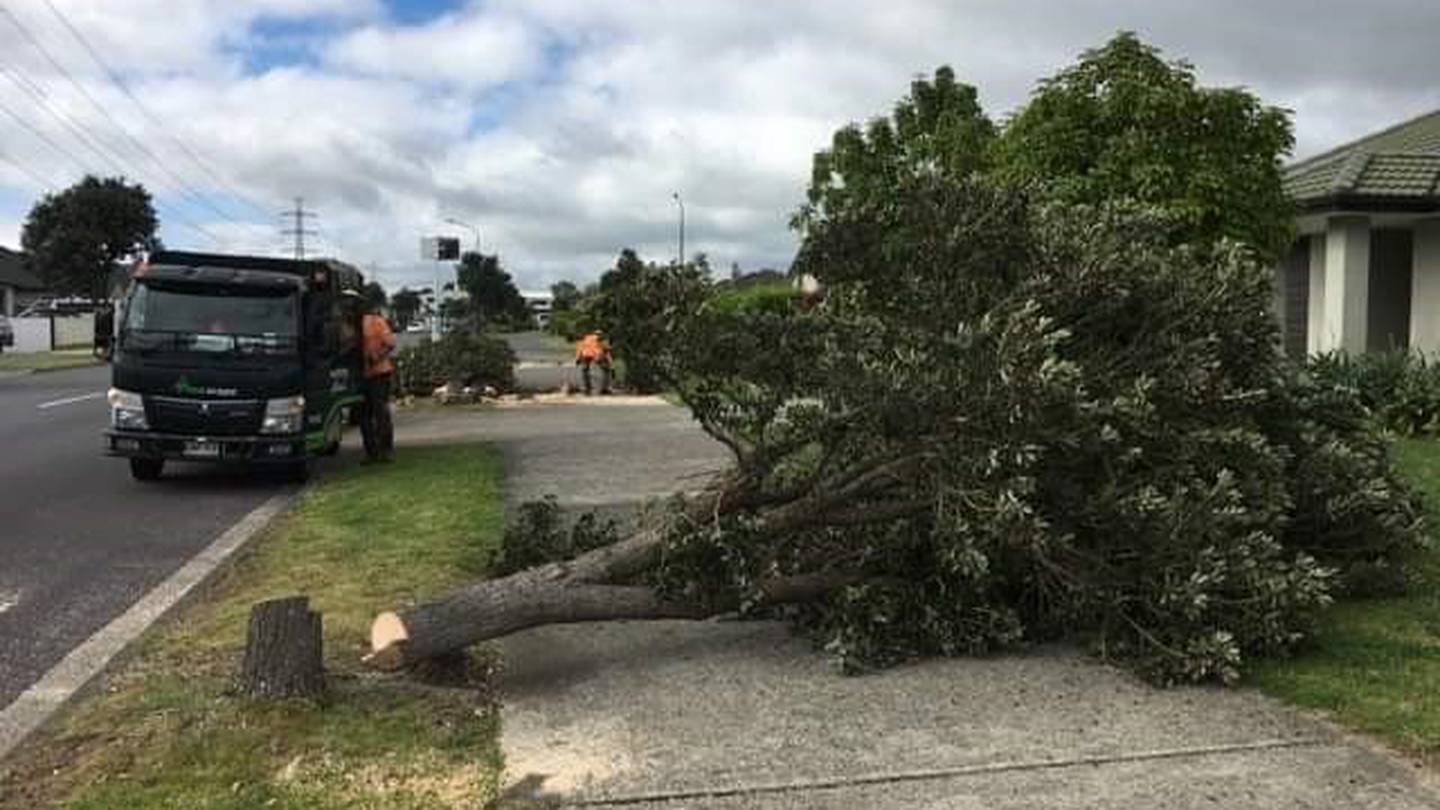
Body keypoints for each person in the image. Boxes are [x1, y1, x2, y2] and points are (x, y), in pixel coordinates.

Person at [361, 304, 396, 461]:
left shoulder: (376, 322)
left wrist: (377, 358)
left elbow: (390, 344)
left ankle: (384, 450)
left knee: (380, 412)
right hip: (362, 376)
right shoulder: (348, 324)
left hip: (379, 373)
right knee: (364, 415)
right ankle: (372, 452)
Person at [574, 330, 613, 395]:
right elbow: (605, 350)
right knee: (606, 370)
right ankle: (604, 388)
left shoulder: (586, 338)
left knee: (585, 371)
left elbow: (580, 348)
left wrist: (577, 358)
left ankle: (587, 389)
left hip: (586, 355)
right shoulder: (600, 340)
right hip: (594, 355)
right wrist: (609, 360)